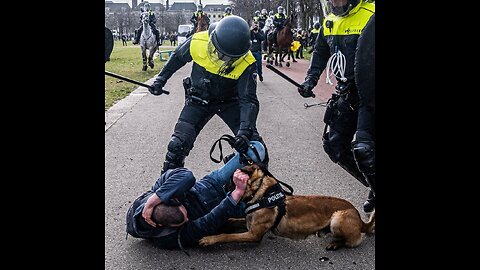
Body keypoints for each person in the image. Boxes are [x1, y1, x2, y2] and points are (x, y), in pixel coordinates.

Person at [147, 15, 269, 174]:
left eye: (228, 58)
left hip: (230, 102)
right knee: (177, 146)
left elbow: (248, 100)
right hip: (198, 99)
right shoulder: (198, 41)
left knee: (256, 151)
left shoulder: (247, 62)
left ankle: (238, 176)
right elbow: (177, 58)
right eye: (220, 53)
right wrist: (160, 79)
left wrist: (245, 132)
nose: (221, 60)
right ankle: (167, 188)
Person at [296, 0, 375, 212]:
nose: (335, 2)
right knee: (335, 146)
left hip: (370, 94)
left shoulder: (371, 14)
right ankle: (373, 186)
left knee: (364, 148)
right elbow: (320, 52)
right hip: (346, 94)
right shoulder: (329, 21)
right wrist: (310, 80)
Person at [126, 141, 266, 250]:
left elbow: (186, 176)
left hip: (212, 183)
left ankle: (244, 179)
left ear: (172, 198)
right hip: (225, 208)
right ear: (162, 225)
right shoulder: (168, 239)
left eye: (185, 214)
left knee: (256, 148)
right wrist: (237, 193)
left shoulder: (150, 198)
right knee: (271, 206)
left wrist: (154, 199)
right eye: (184, 221)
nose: (188, 219)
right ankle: (249, 189)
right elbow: (208, 223)